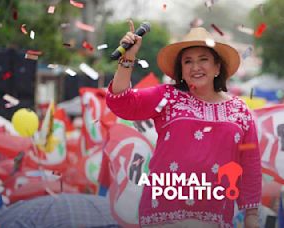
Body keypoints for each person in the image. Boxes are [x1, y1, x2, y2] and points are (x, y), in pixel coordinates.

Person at [106, 21, 261, 228]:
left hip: (215, 217)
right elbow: (121, 102)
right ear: (181, 69)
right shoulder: (167, 97)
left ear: (217, 67)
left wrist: (251, 217)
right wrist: (127, 58)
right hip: (163, 216)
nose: (195, 67)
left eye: (203, 59)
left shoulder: (240, 111)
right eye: (188, 62)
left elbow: (250, 166)